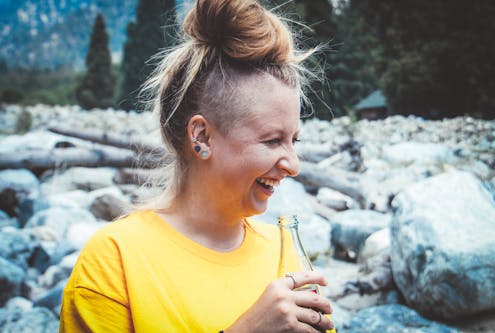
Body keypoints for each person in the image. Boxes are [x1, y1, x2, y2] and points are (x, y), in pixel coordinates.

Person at [59, 0, 335, 332]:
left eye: (295, 140)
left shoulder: (285, 252)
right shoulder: (114, 260)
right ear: (201, 136)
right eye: (272, 141)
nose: (293, 165)